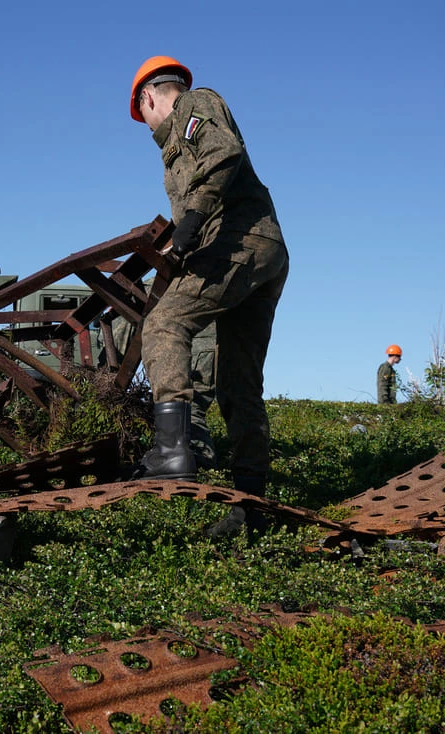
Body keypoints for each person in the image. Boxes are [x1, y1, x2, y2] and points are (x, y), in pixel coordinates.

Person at [129, 56, 289, 535]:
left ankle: (172, 451)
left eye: (144, 116)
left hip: (240, 242)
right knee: (239, 387)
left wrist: (193, 220)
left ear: (149, 97)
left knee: (162, 324)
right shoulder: (174, 146)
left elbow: (223, 152)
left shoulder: (196, 105)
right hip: (261, 252)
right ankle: (250, 506)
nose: (148, 126)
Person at [106, 297, 219, 470]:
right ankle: (207, 469)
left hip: (194, 336)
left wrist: (107, 382)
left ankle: (188, 464)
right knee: (193, 408)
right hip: (212, 332)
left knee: (188, 406)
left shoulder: (147, 290)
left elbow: (120, 332)